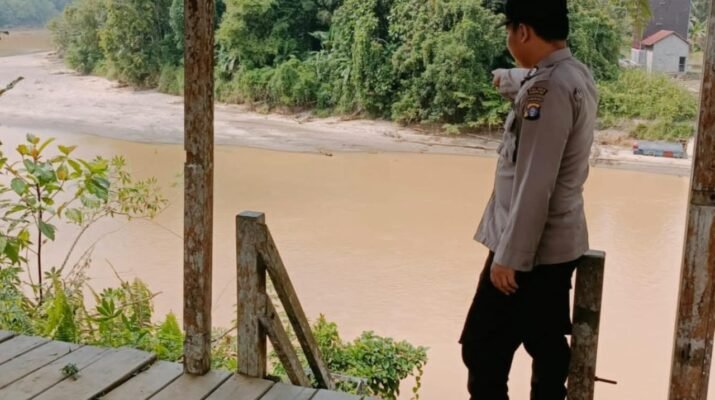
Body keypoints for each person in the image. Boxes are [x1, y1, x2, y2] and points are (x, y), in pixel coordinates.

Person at [460, 0, 598, 399]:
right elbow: (542, 79)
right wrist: (512, 78)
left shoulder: (547, 91)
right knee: (544, 341)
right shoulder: (574, 74)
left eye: (509, 32)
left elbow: (536, 181)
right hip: (555, 245)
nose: (509, 40)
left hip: (530, 251)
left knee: (483, 348)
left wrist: (511, 257)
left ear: (522, 31)